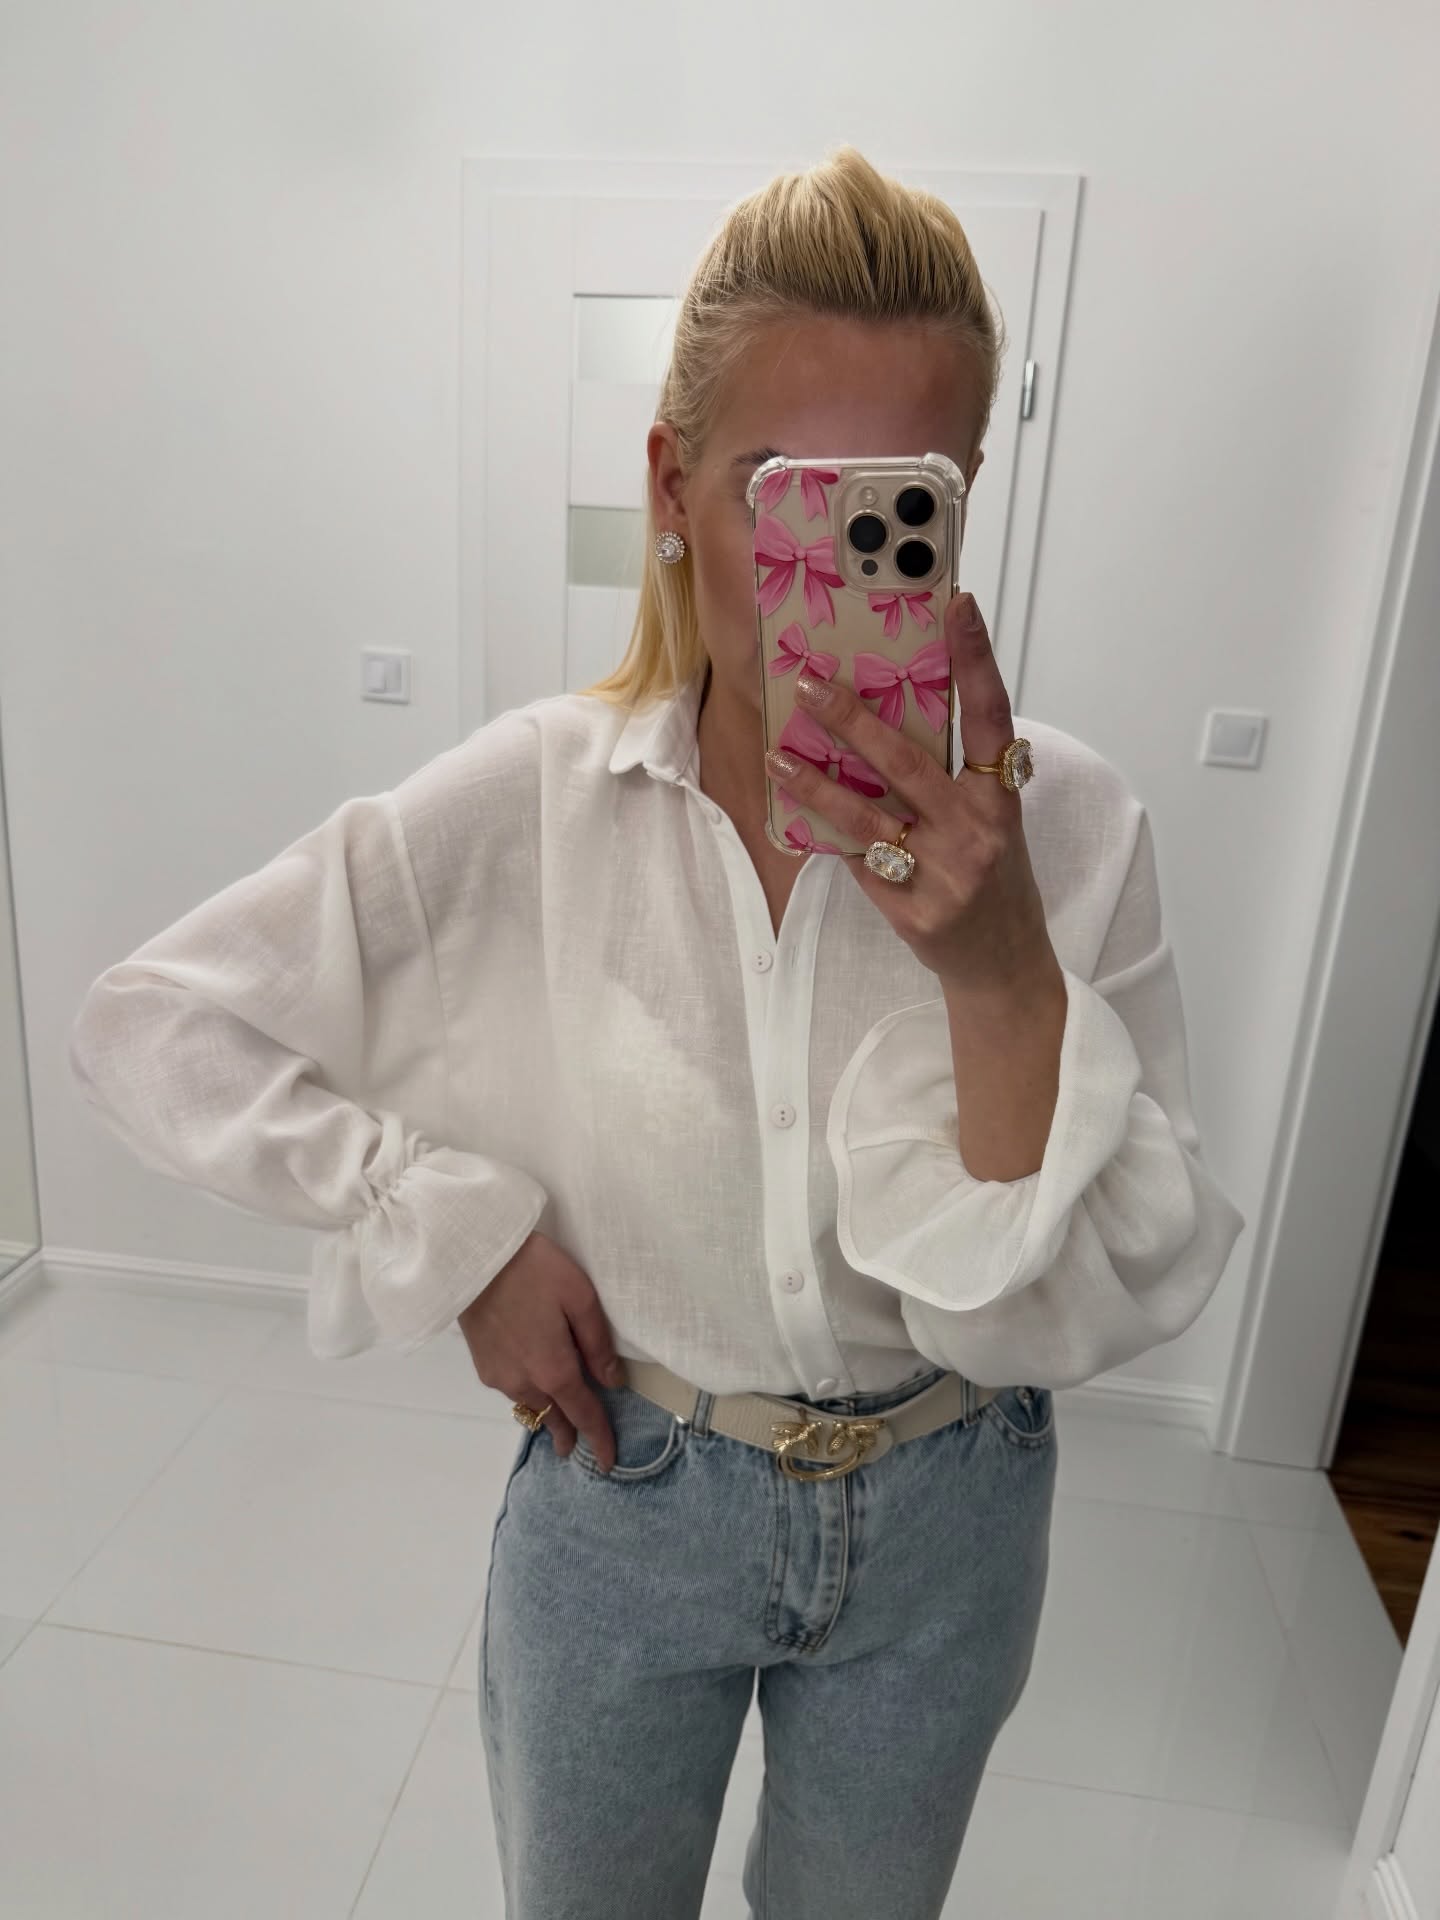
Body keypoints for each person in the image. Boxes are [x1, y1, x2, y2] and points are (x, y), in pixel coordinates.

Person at [67, 145, 1246, 1920]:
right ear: (671, 485)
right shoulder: (538, 798)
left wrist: (1001, 972)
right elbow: (157, 1021)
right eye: (784, 488)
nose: (833, 558)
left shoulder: (1071, 829)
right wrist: (454, 1233)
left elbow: (1092, 1298)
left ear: (964, 499)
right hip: (631, 1495)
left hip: (955, 1517)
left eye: (902, 494)